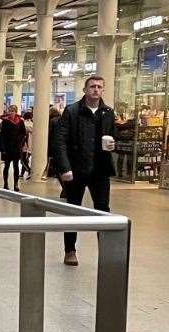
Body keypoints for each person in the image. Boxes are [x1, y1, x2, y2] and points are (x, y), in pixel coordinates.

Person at [52, 75, 117, 266]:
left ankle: (106, 250)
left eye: (99, 87)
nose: (96, 90)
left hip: (100, 170)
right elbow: (59, 141)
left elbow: (114, 137)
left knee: (103, 211)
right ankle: (70, 250)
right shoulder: (72, 112)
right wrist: (64, 168)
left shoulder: (108, 113)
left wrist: (113, 144)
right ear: (85, 89)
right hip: (76, 169)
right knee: (72, 210)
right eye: (92, 86)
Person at [0, 104, 27, 191]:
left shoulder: (20, 121)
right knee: (7, 166)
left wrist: (20, 140)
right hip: (8, 147)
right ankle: (5, 183)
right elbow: (2, 135)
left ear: (16, 111)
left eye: (13, 111)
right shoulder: (5, 121)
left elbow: (23, 132)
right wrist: (3, 147)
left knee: (16, 166)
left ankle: (15, 184)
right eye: (10, 110)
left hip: (17, 147)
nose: (11, 112)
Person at [22, 110, 34, 179]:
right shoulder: (32, 124)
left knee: (23, 160)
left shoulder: (25, 124)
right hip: (29, 145)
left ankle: (29, 170)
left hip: (25, 145)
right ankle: (22, 173)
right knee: (25, 159)